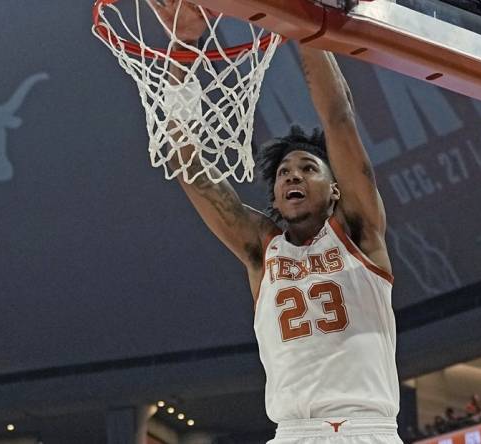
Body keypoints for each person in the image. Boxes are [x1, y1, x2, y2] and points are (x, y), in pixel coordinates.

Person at [146, 1, 401, 442]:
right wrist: (182, 50)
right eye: (284, 173)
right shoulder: (262, 249)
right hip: (293, 432)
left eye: (307, 168)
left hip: (366, 428)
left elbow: (338, 117)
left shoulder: (358, 231)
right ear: (276, 197)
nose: (293, 176)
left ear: (336, 188)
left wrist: (305, 23)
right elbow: (189, 167)